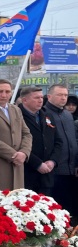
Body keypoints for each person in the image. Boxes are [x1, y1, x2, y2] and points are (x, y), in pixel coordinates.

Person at [42, 84, 78, 219]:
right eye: (60, 95)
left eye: (65, 95)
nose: (63, 98)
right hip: (54, 168)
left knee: (69, 207)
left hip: (70, 169)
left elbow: (74, 140)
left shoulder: (68, 115)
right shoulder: (44, 113)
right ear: (49, 96)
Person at [19, 86, 60, 195]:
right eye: (36, 97)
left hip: (47, 175)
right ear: (25, 100)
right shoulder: (17, 115)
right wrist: (37, 163)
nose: (40, 100)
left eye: (41, 97)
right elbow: (16, 143)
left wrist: (53, 161)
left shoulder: (47, 114)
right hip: (26, 174)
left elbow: (58, 141)